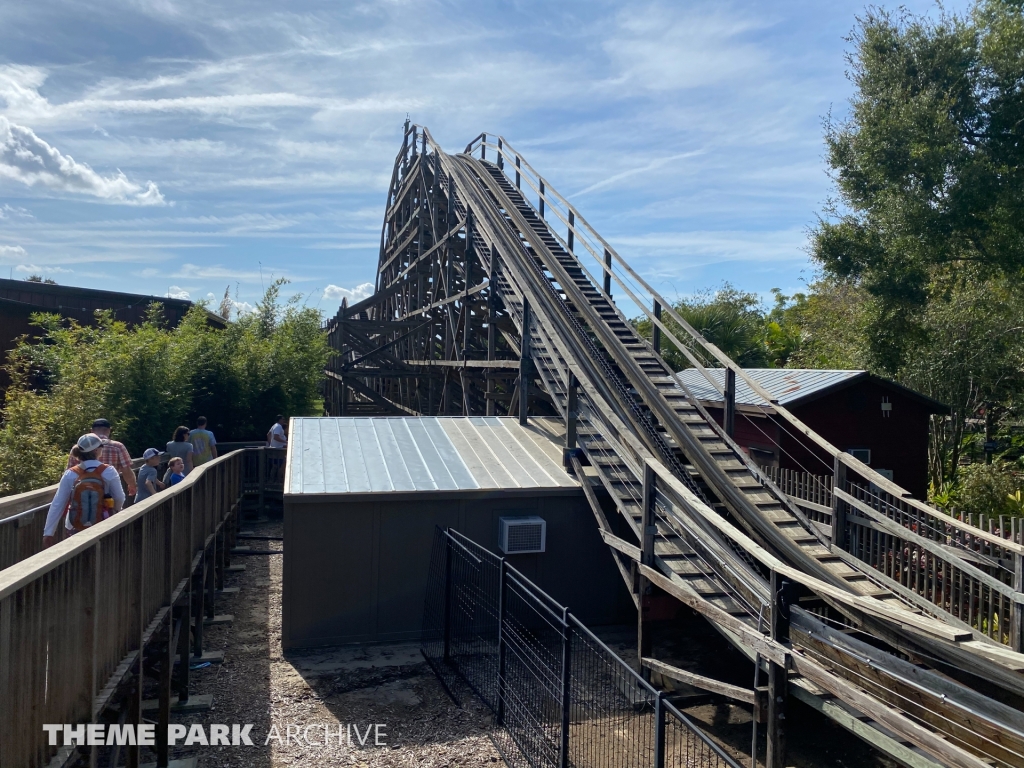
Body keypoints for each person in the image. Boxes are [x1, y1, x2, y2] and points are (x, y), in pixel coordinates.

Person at [43, 433, 125, 548]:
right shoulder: (109, 471)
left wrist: (48, 533)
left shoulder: (71, 473)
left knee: (76, 557)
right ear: (96, 450)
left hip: (75, 524)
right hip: (104, 522)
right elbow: (120, 497)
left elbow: (58, 503)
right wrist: (116, 510)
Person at [68, 418, 137, 498]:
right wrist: (132, 485)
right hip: (109, 496)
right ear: (109, 430)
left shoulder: (78, 448)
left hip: (82, 496)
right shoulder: (118, 446)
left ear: (91, 431)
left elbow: (69, 472)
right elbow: (126, 471)